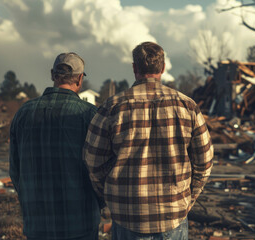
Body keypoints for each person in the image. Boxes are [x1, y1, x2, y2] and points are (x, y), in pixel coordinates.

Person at [83, 42, 213, 240]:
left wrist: (111, 196)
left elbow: (92, 161)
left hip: (127, 216)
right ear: (162, 68)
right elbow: (204, 161)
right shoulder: (187, 106)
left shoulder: (111, 108)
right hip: (173, 217)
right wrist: (188, 198)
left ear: (134, 68)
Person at [9, 52, 101, 240]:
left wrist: (31, 200)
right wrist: (97, 204)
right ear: (80, 78)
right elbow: (100, 171)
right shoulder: (90, 114)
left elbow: (15, 170)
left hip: (37, 224)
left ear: (52, 75)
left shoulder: (23, 113)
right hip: (80, 223)